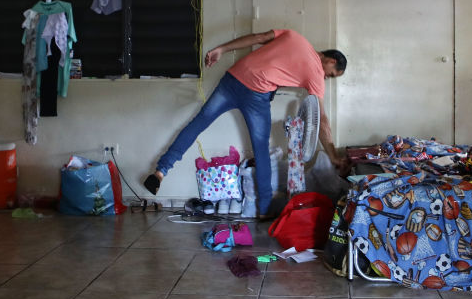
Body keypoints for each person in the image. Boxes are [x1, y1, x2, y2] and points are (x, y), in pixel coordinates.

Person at [143, 29, 347, 216]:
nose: (326, 77)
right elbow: (322, 120)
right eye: (331, 74)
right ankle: (264, 210)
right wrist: (334, 156)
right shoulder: (316, 74)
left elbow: (257, 38)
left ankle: (160, 172)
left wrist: (221, 49)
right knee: (261, 151)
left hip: (233, 79)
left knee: (198, 124)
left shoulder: (294, 36)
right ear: (330, 60)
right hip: (256, 97)